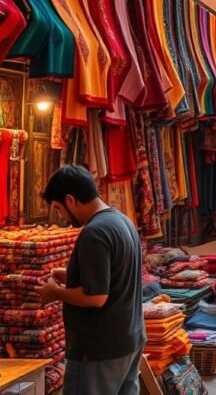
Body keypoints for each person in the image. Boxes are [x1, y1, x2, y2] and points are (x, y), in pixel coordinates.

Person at [36, 165, 145, 395]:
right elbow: (115, 276)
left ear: (70, 200)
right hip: (128, 339)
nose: (61, 217)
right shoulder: (122, 221)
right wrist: (70, 276)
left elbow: (96, 297)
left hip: (99, 350)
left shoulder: (94, 232)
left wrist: (55, 292)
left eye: (59, 209)